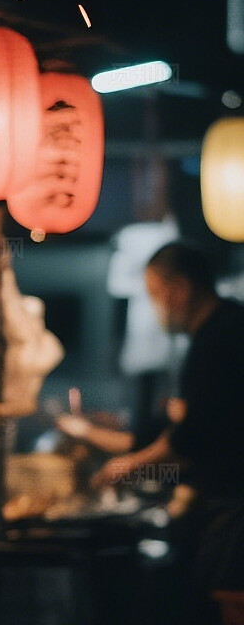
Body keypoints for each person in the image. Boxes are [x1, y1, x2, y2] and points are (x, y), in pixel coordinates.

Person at [93, 241, 244, 590]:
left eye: (153, 294)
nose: (154, 308)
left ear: (179, 288)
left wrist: (127, 465)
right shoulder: (225, 328)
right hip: (226, 502)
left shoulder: (218, 338)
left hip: (233, 506)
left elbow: (190, 438)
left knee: (216, 615)